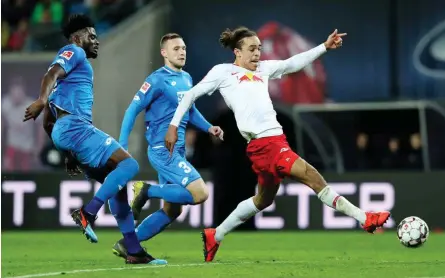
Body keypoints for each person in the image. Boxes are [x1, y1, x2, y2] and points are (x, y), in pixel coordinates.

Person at [164, 27, 391, 262]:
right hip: (265, 144)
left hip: (273, 142)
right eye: (251, 49)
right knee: (311, 175)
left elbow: (293, 63)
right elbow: (190, 95)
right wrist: (173, 126)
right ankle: (365, 218)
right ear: (237, 52)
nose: (257, 54)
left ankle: (215, 234)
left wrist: (324, 46)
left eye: (259, 49)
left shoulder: (263, 69)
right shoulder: (223, 72)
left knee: (263, 200)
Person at [22, 14, 166, 265]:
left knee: (118, 187)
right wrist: (41, 100)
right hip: (76, 128)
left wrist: (67, 154)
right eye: (92, 36)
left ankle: (133, 251)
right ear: (78, 38)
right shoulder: (73, 52)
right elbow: (51, 74)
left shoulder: (72, 75)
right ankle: (87, 212)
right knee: (129, 165)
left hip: (63, 132)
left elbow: (48, 121)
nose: (96, 41)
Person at [111, 33, 224, 257]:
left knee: (172, 210)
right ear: (164, 53)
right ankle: (146, 190)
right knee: (200, 193)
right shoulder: (156, 80)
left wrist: (209, 127)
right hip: (163, 150)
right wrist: (122, 144)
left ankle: (127, 245)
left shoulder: (187, 78)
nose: (182, 52)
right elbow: (132, 110)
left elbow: (189, 111)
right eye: (176, 49)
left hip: (178, 151)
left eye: (183, 48)